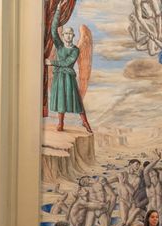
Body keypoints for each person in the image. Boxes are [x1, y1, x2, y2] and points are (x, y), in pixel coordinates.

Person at [45, 0, 93, 133]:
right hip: (59, 77)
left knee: (76, 101)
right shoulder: (59, 46)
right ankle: (60, 124)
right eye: (66, 33)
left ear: (73, 36)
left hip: (68, 78)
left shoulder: (75, 50)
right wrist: (58, 10)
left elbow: (67, 63)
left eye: (70, 34)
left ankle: (85, 122)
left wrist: (52, 62)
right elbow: (54, 30)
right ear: (64, 35)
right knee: (61, 100)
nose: (67, 35)